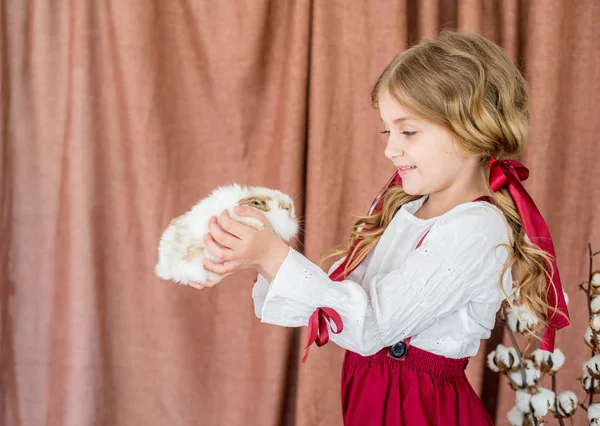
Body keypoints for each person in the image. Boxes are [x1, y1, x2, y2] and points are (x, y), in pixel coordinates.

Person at [200, 30, 570, 425]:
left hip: (420, 411)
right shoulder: (402, 205)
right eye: (387, 131)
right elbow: (336, 302)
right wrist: (259, 260)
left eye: (408, 131)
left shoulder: (477, 229)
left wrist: (275, 256)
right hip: (373, 399)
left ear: (472, 129)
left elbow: (373, 324)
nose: (389, 148)